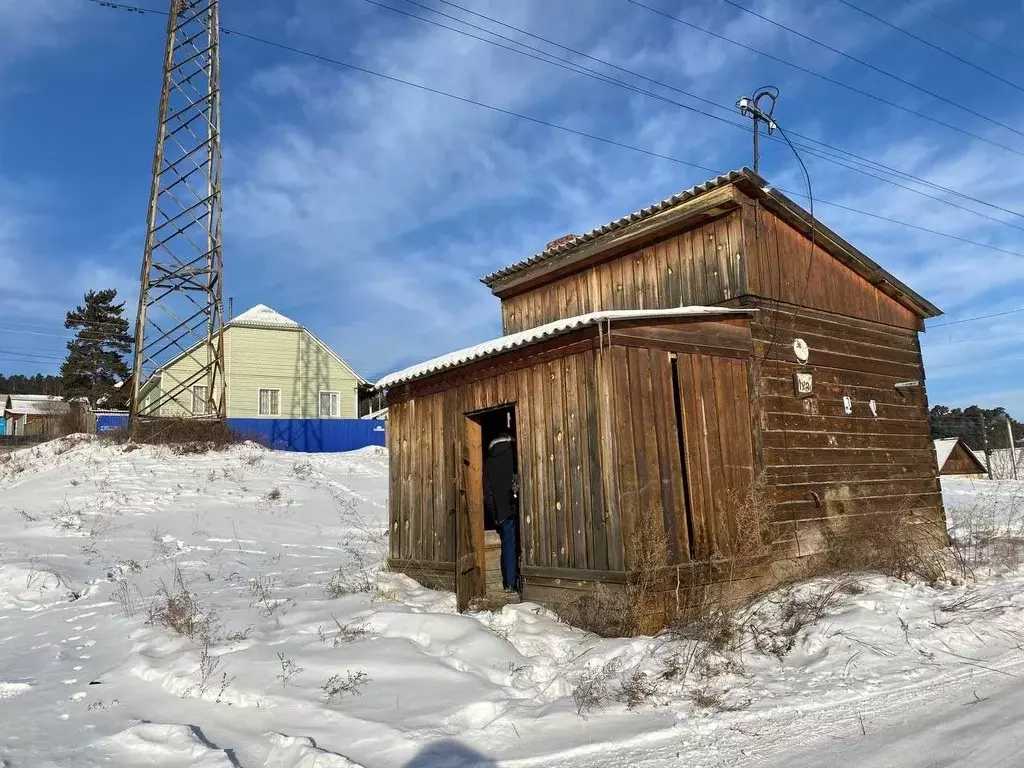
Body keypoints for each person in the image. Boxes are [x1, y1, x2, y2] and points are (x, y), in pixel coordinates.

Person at [483, 431, 519, 592]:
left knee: (508, 547)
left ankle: (510, 584)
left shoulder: (489, 461)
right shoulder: (514, 453)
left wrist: (495, 515)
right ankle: (520, 582)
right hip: (516, 506)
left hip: (503, 512)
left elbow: (488, 493)